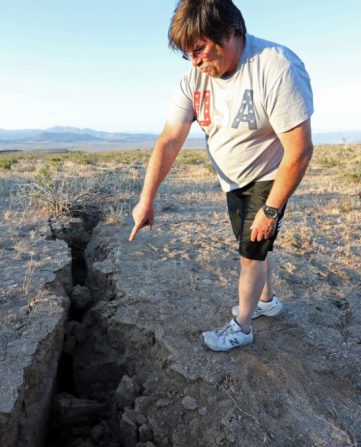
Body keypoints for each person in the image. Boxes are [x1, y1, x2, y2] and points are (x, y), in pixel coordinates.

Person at [129, 0, 314, 351]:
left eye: (199, 50)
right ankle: (267, 302)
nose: (196, 62)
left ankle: (242, 327)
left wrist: (271, 209)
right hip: (232, 180)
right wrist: (146, 198)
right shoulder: (194, 80)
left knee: (250, 252)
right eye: (188, 54)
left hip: (269, 174)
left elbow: (300, 150)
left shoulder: (275, 66)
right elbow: (169, 141)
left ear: (229, 34)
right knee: (258, 246)